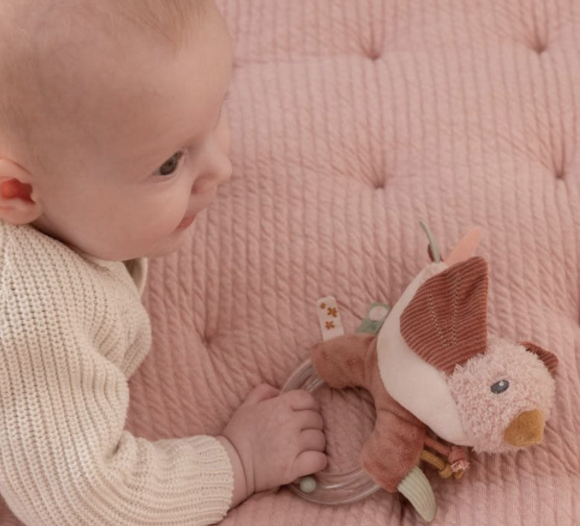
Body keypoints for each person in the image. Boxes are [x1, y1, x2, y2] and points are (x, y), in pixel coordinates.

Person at [0, 1, 327, 524]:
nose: (221, 169)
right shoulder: (31, 317)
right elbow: (88, 500)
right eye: (169, 163)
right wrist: (238, 462)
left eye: (217, 111)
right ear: (16, 191)